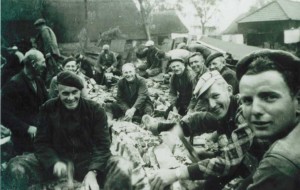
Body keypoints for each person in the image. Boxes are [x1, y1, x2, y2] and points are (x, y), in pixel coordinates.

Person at [143, 70, 254, 190]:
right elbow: (197, 120)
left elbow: (228, 163)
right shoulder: (225, 109)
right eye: (205, 100)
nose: (211, 105)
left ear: (229, 90)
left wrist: (176, 173)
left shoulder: (244, 111)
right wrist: (210, 154)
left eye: (215, 96)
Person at [4, 71, 114, 190]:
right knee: (16, 165)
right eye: (65, 94)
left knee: (121, 166)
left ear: (80, 91)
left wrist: (93, 171)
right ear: (58, 93)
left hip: (86, 161)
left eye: (74, 92)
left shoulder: (95, 110)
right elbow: (41, 142)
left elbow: (102, 145)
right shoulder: (48, 108)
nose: (71, 98)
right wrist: (53, 162)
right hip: (57, 161)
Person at [236, 49, 300, 189]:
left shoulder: (279, 162)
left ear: (298, 101)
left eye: (269, 97)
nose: (255, 110)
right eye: (247, 100)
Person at [1, 49, 48, 154]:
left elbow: (48, 103)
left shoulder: (38, 81)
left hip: (41, 134)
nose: (45, 65)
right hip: (23, 141)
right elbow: (4, 115)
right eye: (43, 62)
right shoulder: (14, 84)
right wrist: (27, 128)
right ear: (33, 64)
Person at [167, 49, 196, 117]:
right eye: (173, 67)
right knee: (168, 115)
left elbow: (195, 95)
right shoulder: (173, 77)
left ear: (183, 65)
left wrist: (190, 109)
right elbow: (172, 93)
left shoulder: (190, 76)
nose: (176, 68)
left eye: (178, 66)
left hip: (191, 100)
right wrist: (174, 107)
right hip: (181, 100)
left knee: (187, 118)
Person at [34, 18, 62, 87]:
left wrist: (47, 53)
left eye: (37, 27)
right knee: (52, 69)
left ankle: (50, 85)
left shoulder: (44, 30)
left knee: (51, 70)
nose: (36, 29)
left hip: (50, 54)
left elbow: (47, 41)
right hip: (52, 53)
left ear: (40, 25)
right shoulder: (48, 29)